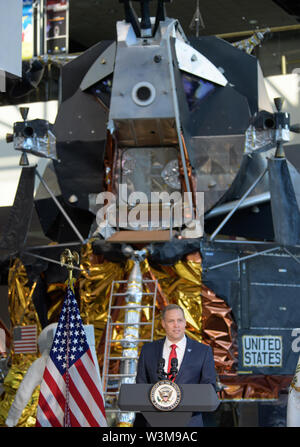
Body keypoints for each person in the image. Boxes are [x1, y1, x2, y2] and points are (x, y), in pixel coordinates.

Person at [135, 303, 217, 427]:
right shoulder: (148, 350)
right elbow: (141, 385)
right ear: (163, 324)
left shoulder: (202, 351)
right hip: (154, 424)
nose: (176, 325)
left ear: (185, 322)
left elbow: (209, 388)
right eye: (171, 321)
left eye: (179, 320)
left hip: (189, 424)